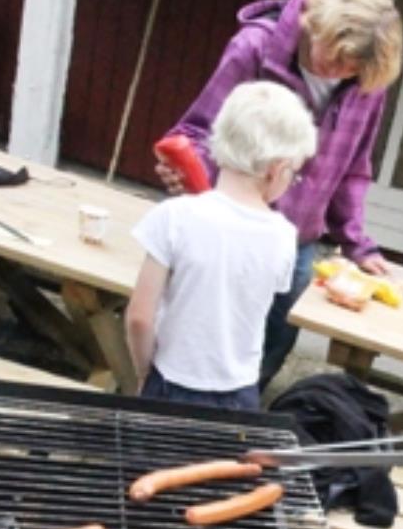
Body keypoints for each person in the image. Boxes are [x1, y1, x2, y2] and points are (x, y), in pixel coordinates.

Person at [158, 0, 403, 388]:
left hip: (296, 240)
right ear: (315, 24)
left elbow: (354, 166)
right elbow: (197, 131)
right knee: (200, 328)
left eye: (352, 69)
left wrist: (356, 242)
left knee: (274, 338)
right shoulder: (255, 47)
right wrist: (186, 169)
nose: (340, 72)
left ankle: (241, 411)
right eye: (336, 59)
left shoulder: (366, 84)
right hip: (229, 226)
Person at [126, 82, 317, 411]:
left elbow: (139, 319)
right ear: (277, 169)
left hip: (169, 382)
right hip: (239, 393)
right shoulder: (284, 237)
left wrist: (144, 371)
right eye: (294, 175)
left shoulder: (174, 216)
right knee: (220, 465)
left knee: (153, 464)